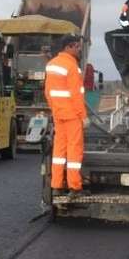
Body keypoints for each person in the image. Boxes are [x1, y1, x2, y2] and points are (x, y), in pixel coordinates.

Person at [45, 34, 87, 193]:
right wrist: (83, 116)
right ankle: (74, 187)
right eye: (76, 46)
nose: (79, 49)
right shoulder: (71, 66)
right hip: (72, 116)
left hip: (58, 114)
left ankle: (56, 186)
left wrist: (54, 109)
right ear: (68, 47)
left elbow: (48, 92)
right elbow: (76, 95)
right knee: (74, 149)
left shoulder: (51, 64)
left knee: (59, 150)